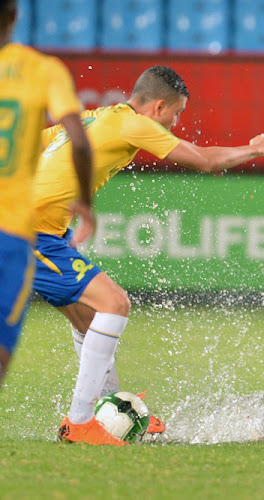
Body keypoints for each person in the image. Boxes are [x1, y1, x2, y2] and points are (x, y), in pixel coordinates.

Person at [33, 65, 264, 446]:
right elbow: (205, 160)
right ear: (160, 106)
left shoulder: (94, 117)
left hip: (42, 227)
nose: (176, 121)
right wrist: (256, 148)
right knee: (115, 303)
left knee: (88, 317)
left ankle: (108, 407)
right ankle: (80, 422)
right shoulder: (134, 124)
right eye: (178, 113)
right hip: (29, 231)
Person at [0, 0, 93, 387]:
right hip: (12, 230)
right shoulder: (43, 69)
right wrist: (86, 203)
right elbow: (81, 143)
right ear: (14, 16)